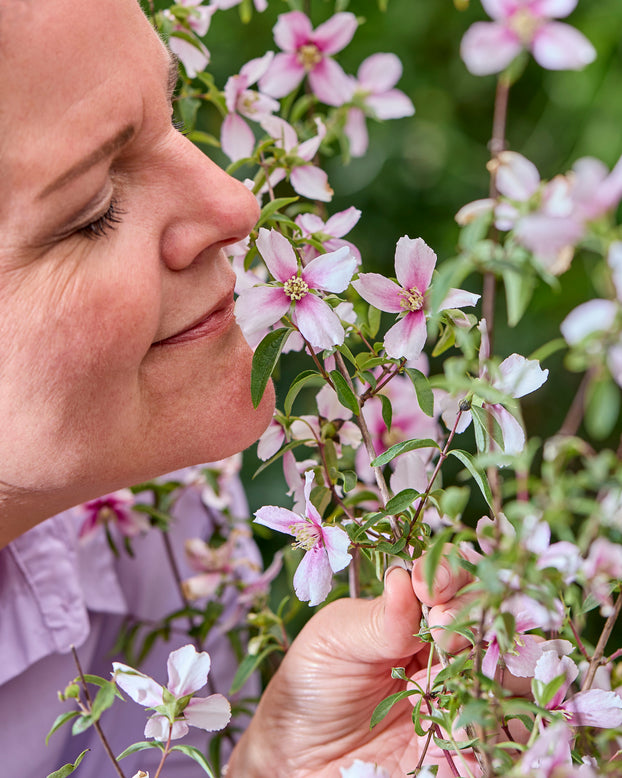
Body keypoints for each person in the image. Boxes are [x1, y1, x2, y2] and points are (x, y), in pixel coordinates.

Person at [0, 1, 474, 776]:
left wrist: (266, 769)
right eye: (94, 210)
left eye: (178, 109)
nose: (237, 203)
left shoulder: (158, 520)